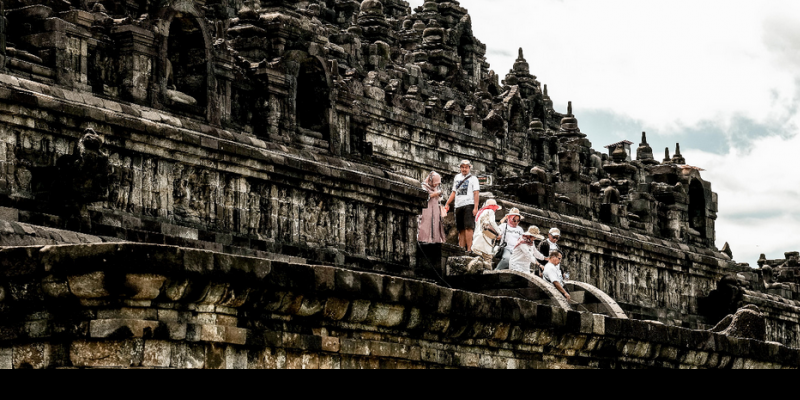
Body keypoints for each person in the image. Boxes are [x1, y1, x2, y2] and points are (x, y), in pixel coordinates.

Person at [444, 160, 480, 251]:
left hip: (469, 204)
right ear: (460, 168)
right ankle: (461, 248)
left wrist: (476, 207)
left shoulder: (473, 179)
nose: (464, 169)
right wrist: (447, 203)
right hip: (458, 204)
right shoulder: (457, 177)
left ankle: (469, 249)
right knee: (460, 228)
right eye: (462, 167)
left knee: (468, 226)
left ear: (469, 168)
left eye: (466, 167)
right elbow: (454, 192)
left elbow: (476, 193)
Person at [418, 171, 446, 244]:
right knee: (425, 223)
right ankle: (423, 240)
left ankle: (435, 241)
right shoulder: (424, 186)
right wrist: (435, 194)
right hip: (427, 208)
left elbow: (440, 198)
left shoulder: (437, 187)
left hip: (435, 209)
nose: (436, 184)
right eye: (435, 182)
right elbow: (424, 196)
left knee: (436, 224)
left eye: (438, 183)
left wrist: (439, 194)